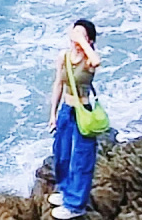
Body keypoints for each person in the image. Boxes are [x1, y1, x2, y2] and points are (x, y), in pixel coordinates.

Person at [47, 19, 102, 218]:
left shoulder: (89, 60)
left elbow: (96, 61)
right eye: (74, 32)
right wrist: (53, 113)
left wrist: (84, 43)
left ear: (90, 39)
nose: (75, 37)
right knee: (61, 152)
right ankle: (64, 189)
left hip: (83, 110)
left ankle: (75, 205)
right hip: (66, 110)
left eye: (81, 34)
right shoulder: (64, 56)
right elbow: (58, 85)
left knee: (82, 158)